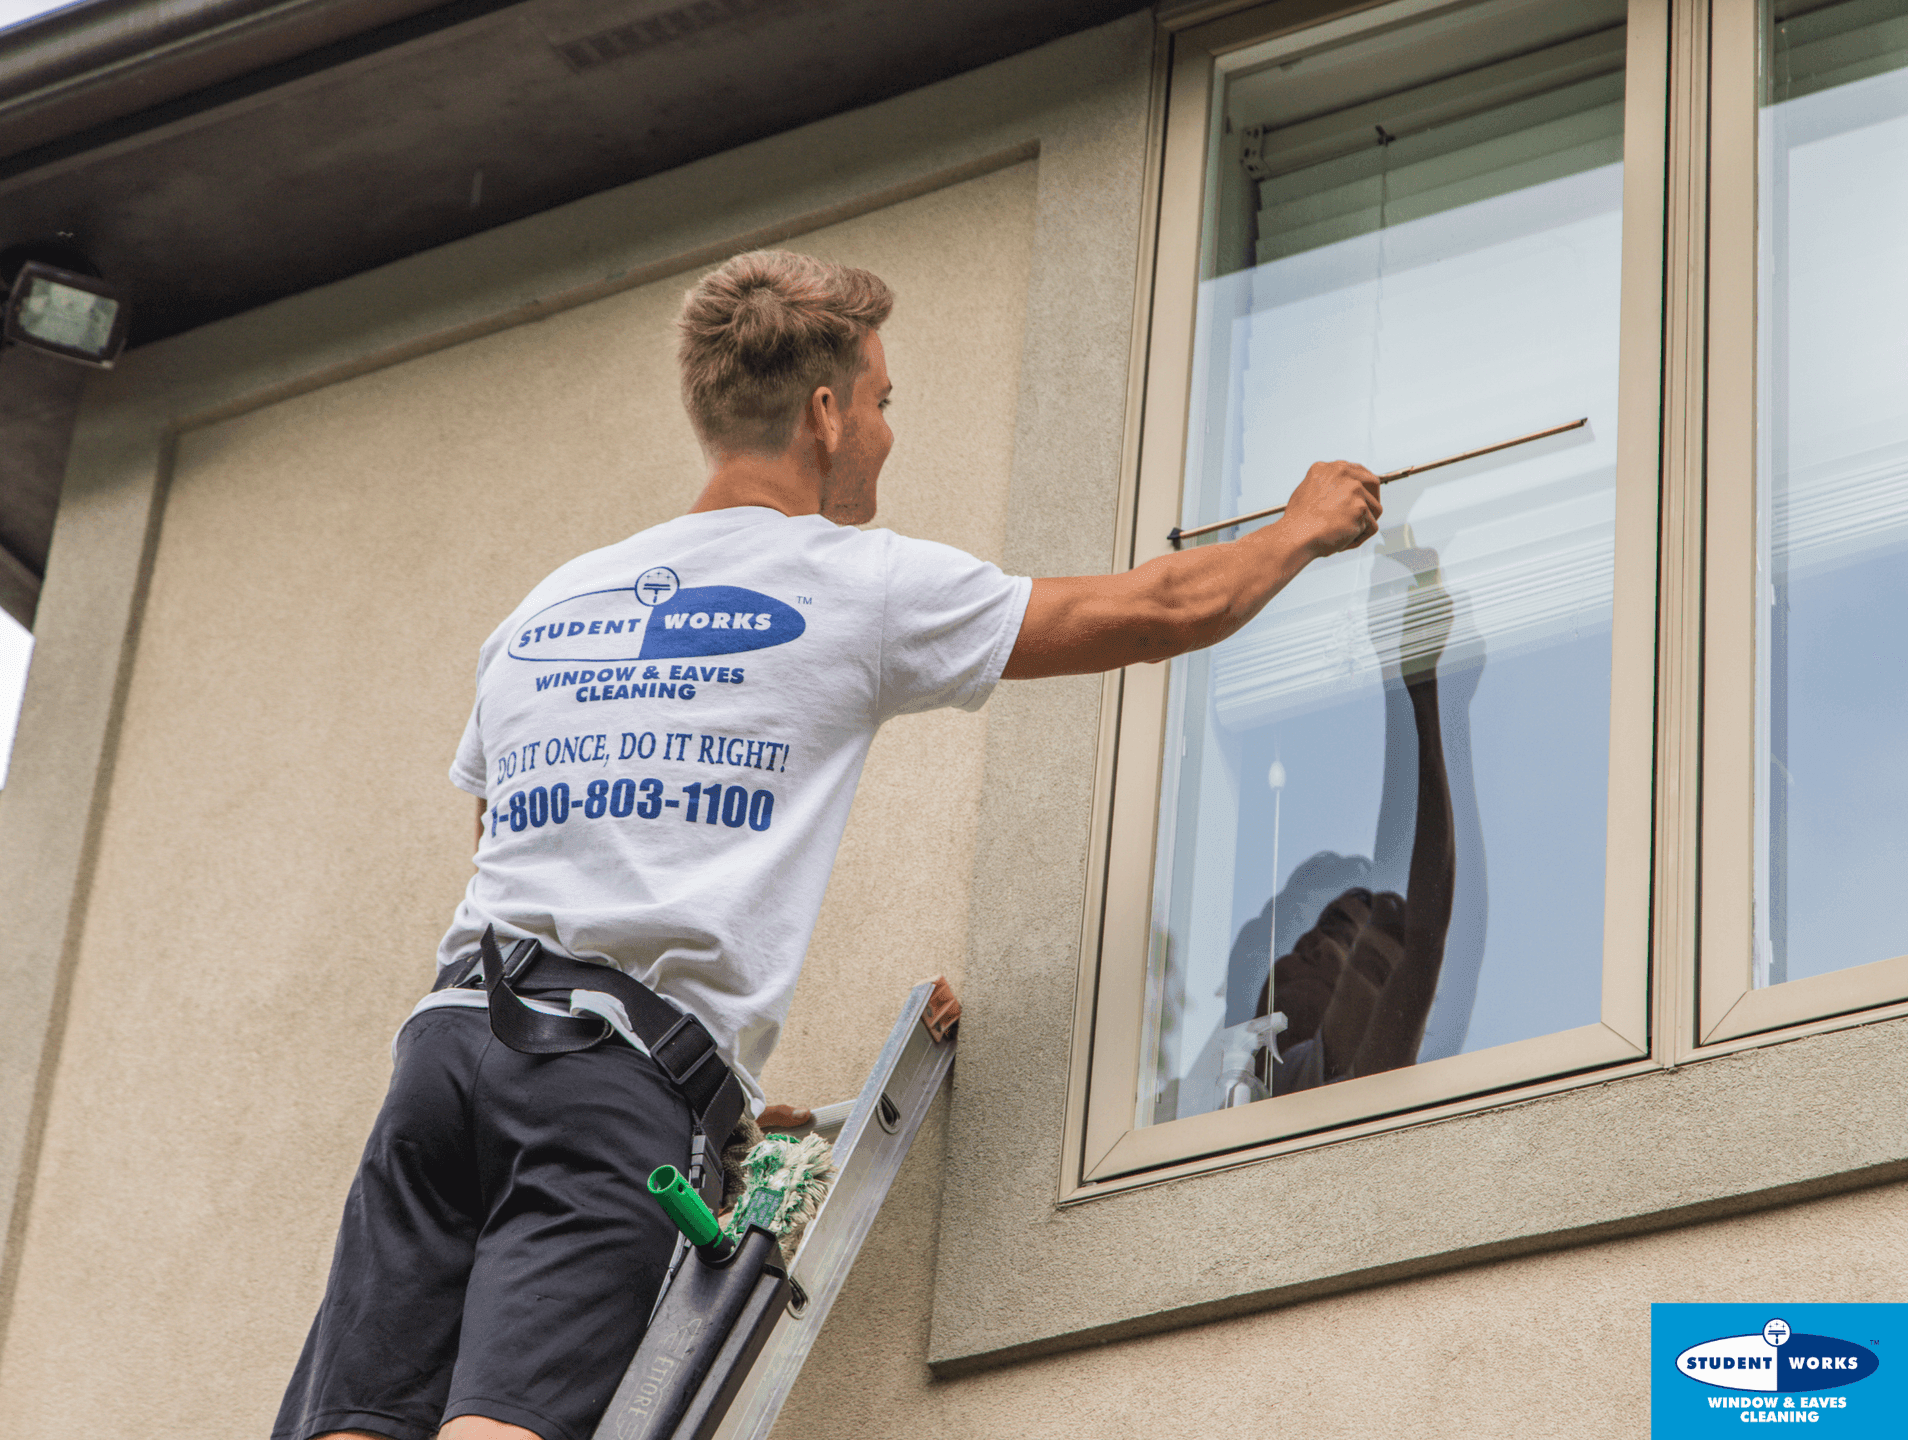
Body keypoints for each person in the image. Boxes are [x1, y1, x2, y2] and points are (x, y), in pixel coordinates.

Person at [272, 249, 1382, 1440]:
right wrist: (1303, 529)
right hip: (604, 1092)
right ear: (824, 411)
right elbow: (1164, 611)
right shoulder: (855, 586)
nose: (887, 433)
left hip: (445, 1055)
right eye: (885, 402)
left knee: (361, 1420)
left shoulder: (546, 608)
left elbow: (502, 838)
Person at [1251, 557, 1457, 1092]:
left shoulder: (1342, 1088)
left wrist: (1416, 682)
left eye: (1344, 938)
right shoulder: (1216, 1104)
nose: (1311, 950)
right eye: (1308, 938)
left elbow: (1424, 930)